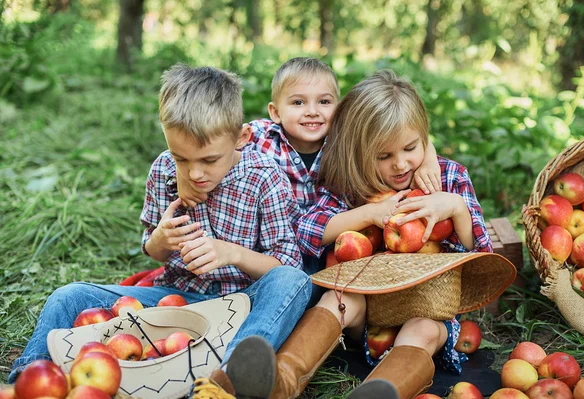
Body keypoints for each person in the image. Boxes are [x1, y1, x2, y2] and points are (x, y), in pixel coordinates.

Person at [9, 65, 311, 399]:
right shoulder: (164, 169)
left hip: (241, 305)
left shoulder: (264, 177)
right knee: (69, 297)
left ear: (241, 137)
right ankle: (28, 381)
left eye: (209, 160)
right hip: (176, 303)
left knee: (294, 282)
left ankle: (227, 378)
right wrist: (160, 241)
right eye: (182, 158)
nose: (195, 173)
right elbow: (152, 250)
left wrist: (233, 254)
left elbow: (287, 265)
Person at [269, 70, 498, 399]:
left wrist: (456, 207)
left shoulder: (448, 178)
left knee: (422, 330)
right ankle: (283, 377)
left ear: (424, 138)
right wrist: (367, 214)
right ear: (361, 155)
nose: (401, 165)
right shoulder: (353, 186)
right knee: (340, 299)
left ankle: (385, 390)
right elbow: (305, 233)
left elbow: (482, 256)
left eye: (411, 148)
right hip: (369, 315)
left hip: (428, 309)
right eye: (384, 156)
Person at [176, 58, 443, 297]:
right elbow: (208, 144)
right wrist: (182, 175)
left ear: (338, 110)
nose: (312, 111)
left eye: (324, 102)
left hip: (320, 247)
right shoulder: (260, 137)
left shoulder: (343, 143)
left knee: (322, 287)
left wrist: (428, 155)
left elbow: (395, 134)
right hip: (269, 248)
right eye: (298, 102)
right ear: (275, 112)